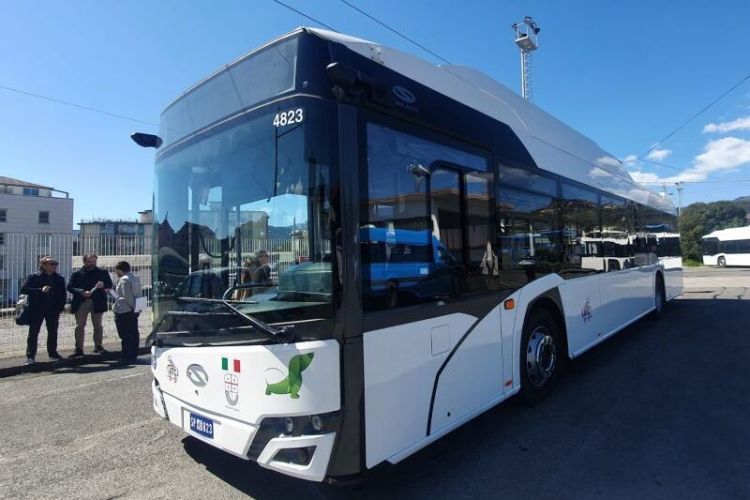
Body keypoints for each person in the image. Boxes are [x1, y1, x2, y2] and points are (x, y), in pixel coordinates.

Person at [21, 256, 67, 365]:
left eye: (55, 263)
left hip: (53, 310)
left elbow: (62, 295)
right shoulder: (34, 277)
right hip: (37, 309)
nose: (54, 266)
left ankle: (53, 354)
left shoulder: (59, 278)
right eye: (51, 264)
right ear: (43, 265)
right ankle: (30, 357)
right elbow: (24, 289)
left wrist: (60, 307)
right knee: (33, 333)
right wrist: (39, 290)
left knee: (53, 332)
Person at [67, 253, 113, 357]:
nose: (91, 263)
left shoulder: (102, 272)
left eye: (93, 261)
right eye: (89, 261)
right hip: (82, 302)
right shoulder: (77, 274)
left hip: (97, 302)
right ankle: (79, 349)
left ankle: (98, 346)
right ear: (84, 262)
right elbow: (70, 287)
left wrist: (103, 286)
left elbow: (109, 284)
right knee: (80, 326)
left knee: (98, 325)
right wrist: (81, 292)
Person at [112, 261, 142, 364]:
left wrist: (132, 308)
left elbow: (127, 297)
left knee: (125, 334)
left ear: (119, 270)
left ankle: (127, 356)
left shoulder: (124, 280)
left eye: (116, 270)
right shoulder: (136, 278)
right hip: (135, 308)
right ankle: (134, 354)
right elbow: (138, 294)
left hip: (124, 310)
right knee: (134, 332)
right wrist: (137, 309)